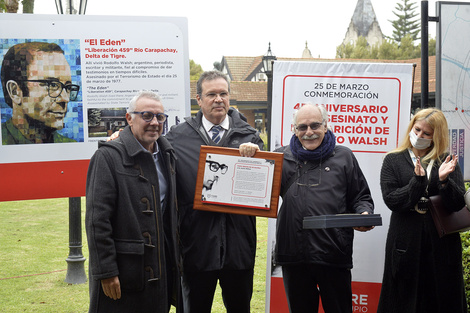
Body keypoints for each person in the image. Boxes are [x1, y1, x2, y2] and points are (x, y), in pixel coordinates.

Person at [240, 103, 374, 313]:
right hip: (294, 254)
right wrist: (252, 156)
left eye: (314, 125)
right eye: (302, 127)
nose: (309, 132)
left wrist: (364, 214)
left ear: (326, 126)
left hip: (333, 252)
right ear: (294, 130)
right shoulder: (280, 158)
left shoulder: (344, 156)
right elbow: (253, 186)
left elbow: (361, 197)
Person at [165, 70, 264, 313]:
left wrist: (257, 157)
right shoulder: (177, 137)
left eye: (223, 93)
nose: (218, 99)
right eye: (211, 94)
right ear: (198, 99)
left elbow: (263, 187)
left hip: (239, 248)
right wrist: (120, 137)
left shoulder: (249, 136)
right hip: (196, 247)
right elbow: (148, 151)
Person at [85, 91, 181, 313]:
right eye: (146, 116)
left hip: (160, 267)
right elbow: (97, 220)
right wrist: (106, 271)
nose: (154, 123)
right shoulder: (107, 157)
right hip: (125, 270)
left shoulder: (167, 154)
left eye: (160, 117)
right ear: (129, 118)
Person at [377, 108, 467, 313]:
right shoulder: (393, 159)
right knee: (403, 298)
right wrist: (417, 183)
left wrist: (444, 181)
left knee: (442, 297)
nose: (419, 136)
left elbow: (457, 204)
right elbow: (392, 200)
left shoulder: (446, 159)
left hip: (441, 242)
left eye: (427, 134)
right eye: (417, 130)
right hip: (405, 241)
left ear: (437, 136)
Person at [1, 42, 80, 144]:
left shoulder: (70, 145)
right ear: (15, 91)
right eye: (52, 85)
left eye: (68, 87)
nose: (65, 99)